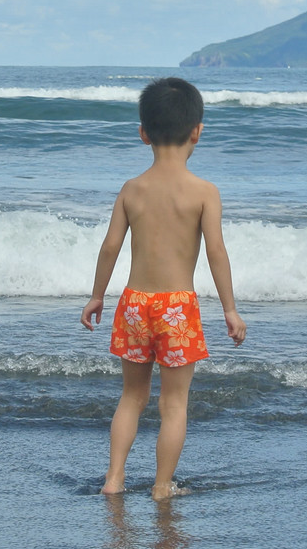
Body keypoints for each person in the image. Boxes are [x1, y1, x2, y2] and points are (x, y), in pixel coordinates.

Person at [81, 77, 247, 500]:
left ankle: (114, 479)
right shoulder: (204, 192)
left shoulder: (131, 189)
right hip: (178, 309)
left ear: (143, 133)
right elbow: (217, 253)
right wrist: (229, 309)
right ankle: (161, 486)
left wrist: (97, 295)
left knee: (131, 397)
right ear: (197, 132)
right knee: (173, 405)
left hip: (134, 304)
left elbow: (110, 246)